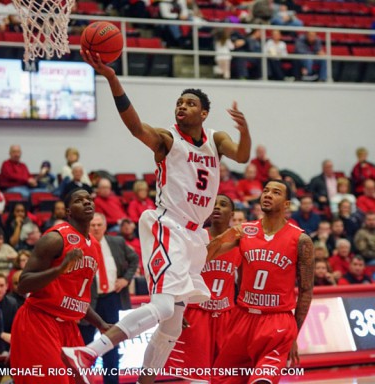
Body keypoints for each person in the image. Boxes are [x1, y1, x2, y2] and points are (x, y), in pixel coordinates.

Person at [62, 51, 251, 384]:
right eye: (179, 103)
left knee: (173, 325)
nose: (182, 107)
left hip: (195, 236)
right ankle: (89, 352)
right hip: (168, 226)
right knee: (164, 308)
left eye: (190, 103)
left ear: (204, 113)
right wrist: (111, 77)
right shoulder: (168, 140)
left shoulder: (216, 140)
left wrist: (245, 130)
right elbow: (136, 127)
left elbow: (243, 155)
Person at [209, 180, 314, 384]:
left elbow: (306, 291)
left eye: (276, 192)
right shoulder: (244, 231)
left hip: (277, 321)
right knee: (221, 379)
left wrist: (294, 334)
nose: (267, 194)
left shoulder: (301, 240)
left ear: (286, 204)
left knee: (262, 380)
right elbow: (203, 257)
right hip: (243, 318)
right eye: (265, 190)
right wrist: (221, 238)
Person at [10, 189, 110, 384]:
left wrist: (101, 324)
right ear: (68, 212)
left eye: (89, 199)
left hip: (69, 325)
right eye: (79, 200)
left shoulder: (95, 246)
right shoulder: (55, 239)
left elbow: (76, 297)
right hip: (39, 320)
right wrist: (60, 269)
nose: (87, 202)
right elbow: (23, 285)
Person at [166, 195, 242, 383]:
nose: (217, 207)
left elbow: (243, 283)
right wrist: (177, 308)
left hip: (226, 315)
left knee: (225, 376)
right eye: (213, 204)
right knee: (197, 378)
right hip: (197, 313)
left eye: (223, 205)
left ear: (231, 214)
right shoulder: (195, 236)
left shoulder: (241, 243)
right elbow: (178, 274)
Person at [79, 212, 139, 384]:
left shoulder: (117, 242)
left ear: (105, 226)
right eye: (93, 225)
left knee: (112, 346)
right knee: (86, 344)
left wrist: (126, 279)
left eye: (99, 225)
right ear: (88, 227)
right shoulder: (82, 245)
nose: (96, 228)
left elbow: (134, 259)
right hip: (89, 302)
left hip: (112, 299)